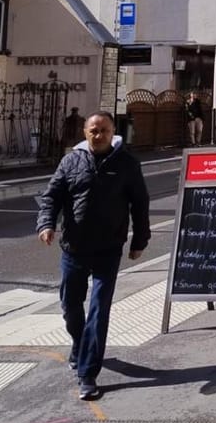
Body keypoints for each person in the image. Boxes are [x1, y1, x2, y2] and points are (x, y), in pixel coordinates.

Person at [36, 111, 150, 401]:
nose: (98, 135)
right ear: (85, 133)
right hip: (73, 248)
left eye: (103, 130)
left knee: (98, 311)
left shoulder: (126, 164)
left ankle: (87, 374)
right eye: (93, 130)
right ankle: (79, 344)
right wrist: (47, 224)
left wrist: (139, 240)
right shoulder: (71, 161)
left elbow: (140, 204)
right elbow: (52, 196)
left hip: (108, 250)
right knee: (70, 306)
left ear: (113, 133)